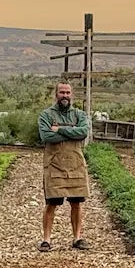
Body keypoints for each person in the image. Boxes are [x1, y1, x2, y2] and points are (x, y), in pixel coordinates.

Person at [38, 81, 90, 250]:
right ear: (56, 94)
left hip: (76, 165)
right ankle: (46, 240)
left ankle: (77, 238)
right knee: (51, 203)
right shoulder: (46, 115)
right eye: (62, 92)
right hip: (54, 165)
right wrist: (72, 131)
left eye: (67, 92)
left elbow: (83, 132)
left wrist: (59, 129)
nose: (65, 96)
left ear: (71, 94)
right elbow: (46, 136)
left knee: (76, 203)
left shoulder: (80, 114)